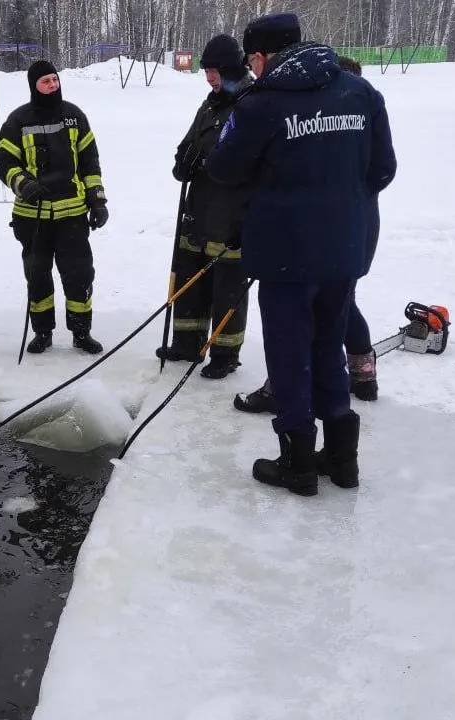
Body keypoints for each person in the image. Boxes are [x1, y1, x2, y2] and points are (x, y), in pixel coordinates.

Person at [206, 13, 396, 496]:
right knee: (328, 346)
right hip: (345, 249)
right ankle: (341, 459)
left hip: (286, 251)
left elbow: (223, 168)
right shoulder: (360, 93)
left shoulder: (262, 104)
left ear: (262, 56)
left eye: (252, 58)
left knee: (290, 355)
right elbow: (383, 170)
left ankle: (297, 463)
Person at [233, 54, 382, 413]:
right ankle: (359, 373)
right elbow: (382, 170)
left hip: (320, 235)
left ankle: (292, 394)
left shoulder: (328, 117)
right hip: (350, 229)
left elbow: (381, 170)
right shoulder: (357, 114)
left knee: (307, 318)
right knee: (339, 305)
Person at [0, 60, 109, 355]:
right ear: (34, 85)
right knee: (37, 275)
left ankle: (81, 332)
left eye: (55, 80)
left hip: (72, 215)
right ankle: (42, 331)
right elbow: (4, 164)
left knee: (79, 274)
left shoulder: (74, 116)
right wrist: (23, 183)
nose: (52, 86)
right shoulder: (17, 121)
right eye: (45, 82)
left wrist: (97, 199)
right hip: (32, 217)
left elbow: (90, 162)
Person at [159, 33, 254, 379]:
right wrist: (182, 161)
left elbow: (247, 162)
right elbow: (189, 142)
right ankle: (187, 341)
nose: (209, 77)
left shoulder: (250, 103)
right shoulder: (210, 103)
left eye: (214, 70)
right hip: (198, 208)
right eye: (206, 71)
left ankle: (225, 352)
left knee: (227, 286)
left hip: (231, 212)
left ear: (230, 68)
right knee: (189, 278)